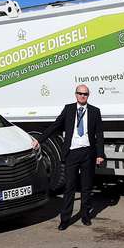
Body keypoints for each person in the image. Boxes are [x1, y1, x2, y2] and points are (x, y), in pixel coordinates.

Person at [38, 85, 104, 230]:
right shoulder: (68, 109)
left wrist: (100, 154)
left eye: (85, 94)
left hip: (88, 153)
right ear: (75, 95)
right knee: (69, 187)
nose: (82, 96)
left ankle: (86, 216)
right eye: (80, 93)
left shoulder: (94, 111)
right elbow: (55, 125)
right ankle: (65, 219)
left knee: (86, 188)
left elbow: (99, 134)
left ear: (88, 95)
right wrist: (40, 140)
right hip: (72, 153)